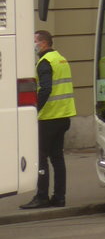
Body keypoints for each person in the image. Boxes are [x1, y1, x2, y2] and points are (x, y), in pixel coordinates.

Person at [20, 29, 76, 209]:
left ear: (43, 43)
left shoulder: (45, 63)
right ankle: (59, 197)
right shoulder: (61, 59)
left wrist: (34, 109)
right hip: (63, 115)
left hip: (49, 117)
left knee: (41, 157)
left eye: (34, 41)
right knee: (57, 158)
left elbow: (45, 89)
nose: (33, 46)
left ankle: (42, 196)